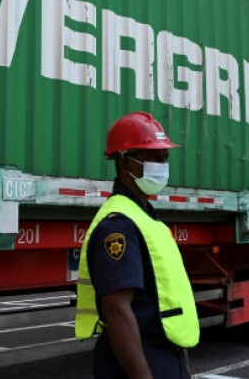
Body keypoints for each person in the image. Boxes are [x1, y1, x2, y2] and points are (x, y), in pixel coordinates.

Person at [75, 112, 200, 379]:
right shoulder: (118, 225)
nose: (161, 166)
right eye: (152, 157)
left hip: (164, 357)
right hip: (138, 362)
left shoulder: (146, 217)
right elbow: (116, 310)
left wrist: (182, 362)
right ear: (124, 162)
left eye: (164, 158)